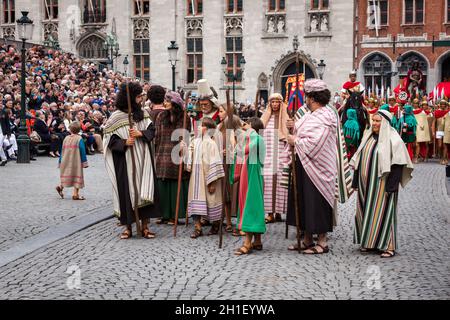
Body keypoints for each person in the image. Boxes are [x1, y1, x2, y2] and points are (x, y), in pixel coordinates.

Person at [286, 79, 342, 254]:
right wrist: (293, 127)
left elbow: (314, 143)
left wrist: (294, 139)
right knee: (304, 201)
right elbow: (302, 132)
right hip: (304, 165)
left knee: (316, 202)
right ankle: (307, 239)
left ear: (312, 97)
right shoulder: (310, 115)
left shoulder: (325, 116)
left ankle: (322, 242)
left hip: (319, 168)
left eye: (307, 97)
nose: (305, 100)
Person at [351, 110, 414, 258]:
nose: (375, 124)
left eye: (378, 121)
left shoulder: (394, 140)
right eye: (373, 120)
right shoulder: (367, 137)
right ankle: (369, 242)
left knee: (385, 214)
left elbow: (398, 164)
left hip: (383, 184)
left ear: (385, 123)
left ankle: (388, 246)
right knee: (366, 212)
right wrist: (355, 182)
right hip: (365, 185)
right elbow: (358, 159)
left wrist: (391, 187)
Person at [103, 82, 160, 239]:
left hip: (143, 158)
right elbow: (108, 140)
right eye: (138, 96)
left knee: (144, 190)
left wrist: (140, 133)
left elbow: (151, 131)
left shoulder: (143, 114)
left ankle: (145, 226)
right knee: (127, 192)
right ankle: (128, 227)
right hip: (125, 160)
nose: (141, 98)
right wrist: (124, 143)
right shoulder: (115, 117)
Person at [230, 117, 266, 256]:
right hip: (249, 172)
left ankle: (247, 243)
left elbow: (242, 150)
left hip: (253, 173)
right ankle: (257, 240)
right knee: (250, 202)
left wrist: (234, 144)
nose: (243, 127)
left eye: (246, 124)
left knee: (251, 203)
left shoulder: (256, 138)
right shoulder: (252, 138)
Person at [154, 90, 190, 225]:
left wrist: (183, 144)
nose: (165, 103)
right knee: (162, 185)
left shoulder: (183, 117)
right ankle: (163, 214)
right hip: (162, 152)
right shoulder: (161, 116)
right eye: (165, 101)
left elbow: (184, 135)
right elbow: (157, 135)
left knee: (175, 185)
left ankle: (174, 215)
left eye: (168, 101)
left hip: (176, 154)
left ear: (175, 103)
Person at [187, 117, 225, 238]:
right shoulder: (195, 141)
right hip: (196, 179)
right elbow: (189, 153)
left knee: (212, 201)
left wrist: (213, 182)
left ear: (208, 129)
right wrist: (185, 149)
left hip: (209, 178)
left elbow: (215, 161)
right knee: (196, 202)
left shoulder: (211, 143)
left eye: (202, 126)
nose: (199, 127)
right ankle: (198, 228)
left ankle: (216, 224)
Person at [260, 93, 290, 224]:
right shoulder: (265, 117)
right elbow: (259, 132)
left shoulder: (285, 117)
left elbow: (288, 136)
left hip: (280, 154)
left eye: (278, 102)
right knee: (268, 182)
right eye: (273, 102)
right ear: (270, 104)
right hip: (267, 154)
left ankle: (278, 212)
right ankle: (270, 212)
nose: (275, 104)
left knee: (279, 183)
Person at [215, 103, 242, 233]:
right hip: (223, 163)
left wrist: (231, 152)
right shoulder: (219, 127)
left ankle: (239, 222)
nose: (218, 114)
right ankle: (228, 222)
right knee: (225, 193)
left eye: (221, 111)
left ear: (228, 112)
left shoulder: (236, 124)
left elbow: (240, 144)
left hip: (234, 164)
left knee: (235, 193)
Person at [56, 121, 88, 200]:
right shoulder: (79, 138)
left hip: (65, 160)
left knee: (67, 174)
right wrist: (84, 162)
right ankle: (75, 194)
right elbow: (82, 150)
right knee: (77, 175)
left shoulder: (66, 138)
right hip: (76, 161)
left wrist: (60, 161)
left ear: (70, 130)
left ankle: (61, 187)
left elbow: (62, 150)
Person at [434, 100, 448, 165]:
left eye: (444, 104)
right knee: (440, 145)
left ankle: (444, 158)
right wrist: (433, 131)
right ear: (440, 105)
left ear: (445, 105)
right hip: (439, 130)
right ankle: (441, 157)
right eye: (442, 104)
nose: (443, 105)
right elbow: (434, 122)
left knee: (445, 145)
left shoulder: (447, 112)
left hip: (446, 130)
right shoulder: (436, 112)